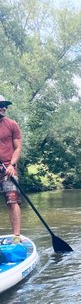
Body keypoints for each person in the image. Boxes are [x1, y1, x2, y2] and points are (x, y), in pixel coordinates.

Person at [0, 95, 22, 243]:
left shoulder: (12, 124)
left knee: (12, 201)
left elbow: (18, 148)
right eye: (1, 105)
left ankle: (16, 236)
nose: (4, 108)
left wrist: (11, 165)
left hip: (8, 170)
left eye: (5, 105)